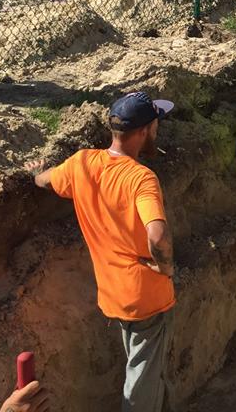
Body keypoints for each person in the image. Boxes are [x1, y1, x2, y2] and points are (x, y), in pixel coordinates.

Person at [27, 91, 176, 412]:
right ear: (144, 131)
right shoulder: (141, 178)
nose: (157, 131)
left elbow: (45, 180)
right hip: (146, 297)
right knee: (142, 377)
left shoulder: (82, 163)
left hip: (113, 294)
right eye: (155, 125)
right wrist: (166, 269)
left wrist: (34, 172)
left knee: (148, 370)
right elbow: (158, 236)